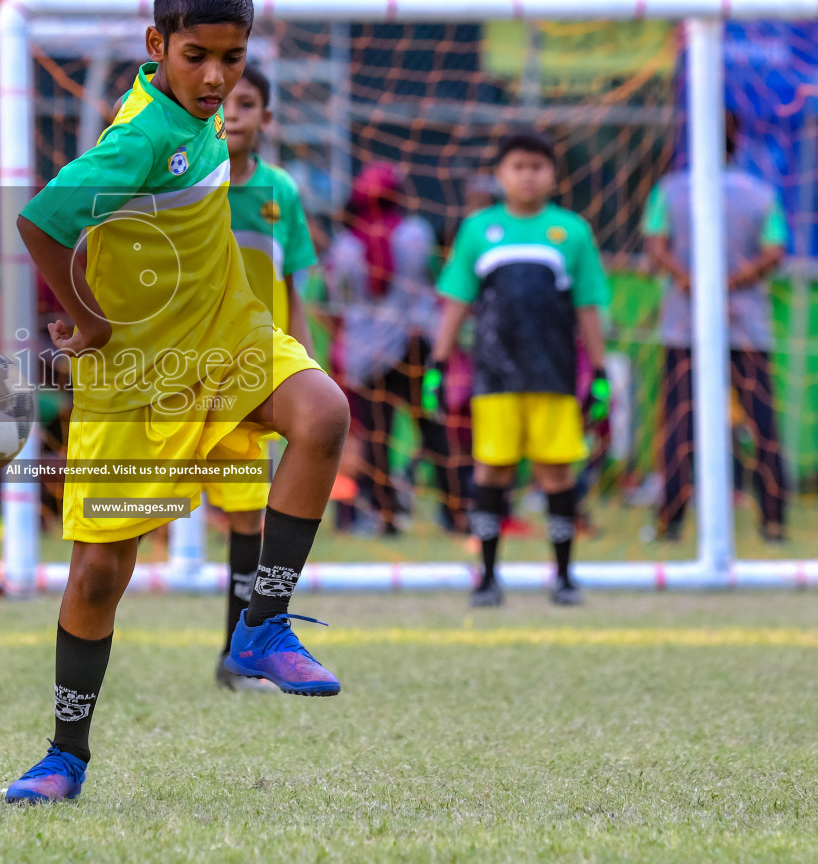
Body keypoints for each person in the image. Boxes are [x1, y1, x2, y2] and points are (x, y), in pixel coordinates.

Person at [4, 0, 350, 803]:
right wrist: (86, 320)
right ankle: (64, 755)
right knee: (97, 575)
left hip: (228, 339)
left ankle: (261, 625)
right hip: (138, 375)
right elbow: (40, 218)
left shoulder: (199, 117)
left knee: (324, 413)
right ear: (157, 44)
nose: (216, 79)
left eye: (232, 59)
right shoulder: (140, 137)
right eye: (197, 56)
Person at [425, 132, 610, 609]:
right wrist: (439, 362)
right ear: (501, 175)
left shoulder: (571, 232)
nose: (528, 175)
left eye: (537, 166)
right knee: (492, 470)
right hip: (494, 378)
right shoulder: (477, 230)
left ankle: (565, 577)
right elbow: (457, 301)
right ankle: (486, 578)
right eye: (518, 167)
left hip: (554, 375)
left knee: (555, 473)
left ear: (553, 175)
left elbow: (588, 306)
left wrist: (602, 370)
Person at [201, 64, 317, 694]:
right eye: (228, 103)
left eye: (248, 103)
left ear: (265, 118)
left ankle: (234, 654)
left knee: (248, 517)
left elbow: (294, 285)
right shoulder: (191, 184)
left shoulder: (282, 194)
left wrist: (304, 361)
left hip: (251, 377)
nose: (235, 113)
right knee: (131, 514)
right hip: (182, 373)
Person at [643, 115, 789, 543]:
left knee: (678, 424)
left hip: (685, 325)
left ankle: (668, 523)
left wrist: (693, 282)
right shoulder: (760, 194)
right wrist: (729, 285)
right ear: (736, 143)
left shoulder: (670, 191)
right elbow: (774, 252)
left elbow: (655, 247)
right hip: (746, 324)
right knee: (763, 425)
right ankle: (775, 522)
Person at [324, 161, 462, 536]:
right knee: (431, 429)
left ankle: (386, 516)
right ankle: (457, 512)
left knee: (376, 436)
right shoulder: (417, 234)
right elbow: (435, 282)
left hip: (365, 349)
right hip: (415, 343)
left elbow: (336, 299)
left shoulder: (346, 246)